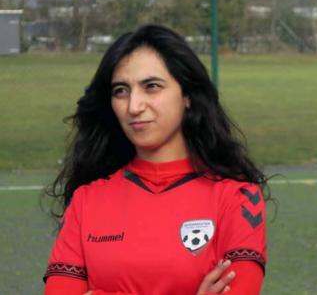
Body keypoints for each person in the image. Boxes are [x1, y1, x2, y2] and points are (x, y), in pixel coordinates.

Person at [43, 25, 267, 295]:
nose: (134, 106)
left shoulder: (237, 199)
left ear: (187, 95)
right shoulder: (86, 201)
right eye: (121, 91)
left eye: (151, 87)